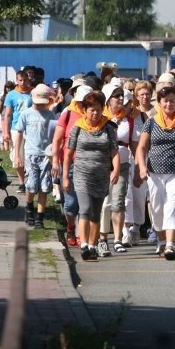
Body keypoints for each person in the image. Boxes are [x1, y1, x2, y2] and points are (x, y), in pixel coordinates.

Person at [135, 85, 175, 261]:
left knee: (173, 206)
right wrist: (141, 167)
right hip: (154, 172)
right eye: (165, 101)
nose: (169, 104)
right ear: (160, 103)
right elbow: (141, 147)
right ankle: (161, 240)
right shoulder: (152, 122)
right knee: (157, 208)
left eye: (172, 100)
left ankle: (170, 245)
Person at [62, 91, 120, 262]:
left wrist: (115, 169)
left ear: (103, 109)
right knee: (85, 209)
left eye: (98, 109)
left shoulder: (108, 128)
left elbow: (114, 151)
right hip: (82, 174)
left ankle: (94, 246)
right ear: (85, 110)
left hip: (101, 175)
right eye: (91, 110)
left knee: (96, 213)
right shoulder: (78, 128)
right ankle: (84, 244)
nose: (95, 113)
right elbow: (68, 154)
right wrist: (65, 176)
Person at [97, 84, 139, 256]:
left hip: (122, 165)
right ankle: (102, 239)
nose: (121, 99)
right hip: (102, 165)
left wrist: (139, 167)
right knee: (104, 203)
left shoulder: (129, 120)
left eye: (122, 96)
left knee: (119, 202)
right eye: (117, 96)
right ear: (108, 100)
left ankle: (118, 239)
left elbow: (135, 146)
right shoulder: (100, 118)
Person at [11, 84, 56, 229]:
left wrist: (54, 156)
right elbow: (19, 134)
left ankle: (39, 217)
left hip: (46, 155)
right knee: (31, 186)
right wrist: (18, 155)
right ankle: (29, 207)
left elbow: (54, 135)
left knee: (44, 187)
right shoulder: (26, 114)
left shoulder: (50, 115)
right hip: (31, 154)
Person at [52, 84, 91, 247]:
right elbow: (57, 139)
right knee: (70, 204)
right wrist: (55, 161)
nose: (83, 105)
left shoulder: (95, 113)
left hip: (89, 164)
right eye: (81, 101)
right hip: (70, 162)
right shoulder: (68, 113)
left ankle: (83, 235)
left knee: (86, 203)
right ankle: (70, 226)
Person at [122, 80, 156, 247]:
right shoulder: (121, 118)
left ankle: (137, 225)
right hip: (123, 158)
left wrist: (140, 164)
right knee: (125, 195)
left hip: (142, 157)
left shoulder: (142, 116)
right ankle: (125, 230)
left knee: (140, 195)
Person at [3, 69, 34, 192]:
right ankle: (22, 183)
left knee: (30, 155)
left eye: (25, 80)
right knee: (17, 157)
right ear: (17, 80)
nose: (22, 82)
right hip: (16, 128)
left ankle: (30, 181)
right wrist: (6, 132)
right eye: (20, 80)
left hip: (31, 128)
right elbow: (8, 114)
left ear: (28, 79)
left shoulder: (33, 92)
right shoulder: (11, 94)